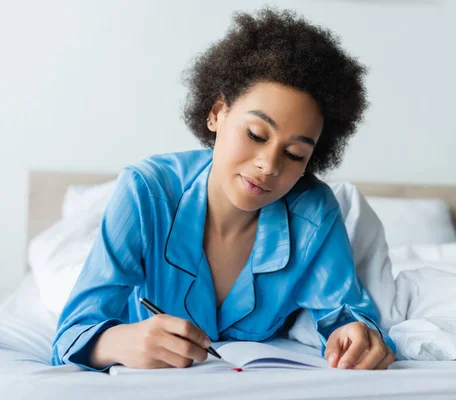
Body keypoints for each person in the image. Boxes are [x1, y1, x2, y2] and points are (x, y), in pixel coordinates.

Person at [51, 7, 396, 372]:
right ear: (217, 113)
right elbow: (70, 334)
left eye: (295, 154)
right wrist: (116, 341)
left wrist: (358, 334)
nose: (269, 165)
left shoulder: (314, 210)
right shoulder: (146, 191)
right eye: (255, 134)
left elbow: (346, 312)